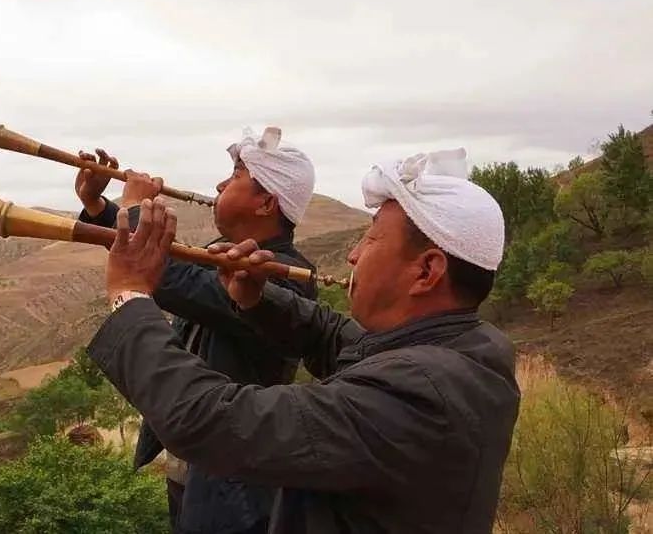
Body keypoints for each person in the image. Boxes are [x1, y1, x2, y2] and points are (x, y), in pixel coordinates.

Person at [87, 148, 520, 533]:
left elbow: (213, 421)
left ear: (427, 272)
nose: (353, 255)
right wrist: (255, 297)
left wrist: (128, 296)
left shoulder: (418, 393)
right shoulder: (458, 348)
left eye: (370, 239)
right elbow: (331, 333)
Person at [75, 127, 318, 534]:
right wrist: (99, 205)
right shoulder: (228, 254)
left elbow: (170, 281)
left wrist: (134, 206)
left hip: (236, 490)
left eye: (236, 175)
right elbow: (173, 275)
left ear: (266, 203)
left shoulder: (282, 275)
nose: (220, 184)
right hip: (199, 475)